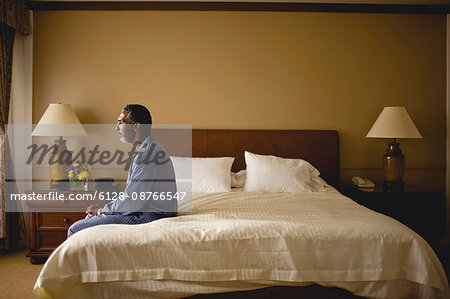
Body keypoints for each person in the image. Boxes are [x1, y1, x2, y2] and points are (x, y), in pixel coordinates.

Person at [68, 104, 177, 237]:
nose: (116, 127)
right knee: (89, 221)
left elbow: (133, 201)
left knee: (76, 229)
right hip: (146, 210)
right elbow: (133, 196)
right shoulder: (148, 149)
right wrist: (107, 206)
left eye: (120, 122)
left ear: (136, 126)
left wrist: (102, 210)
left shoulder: (148, 156)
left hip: (152, 216)